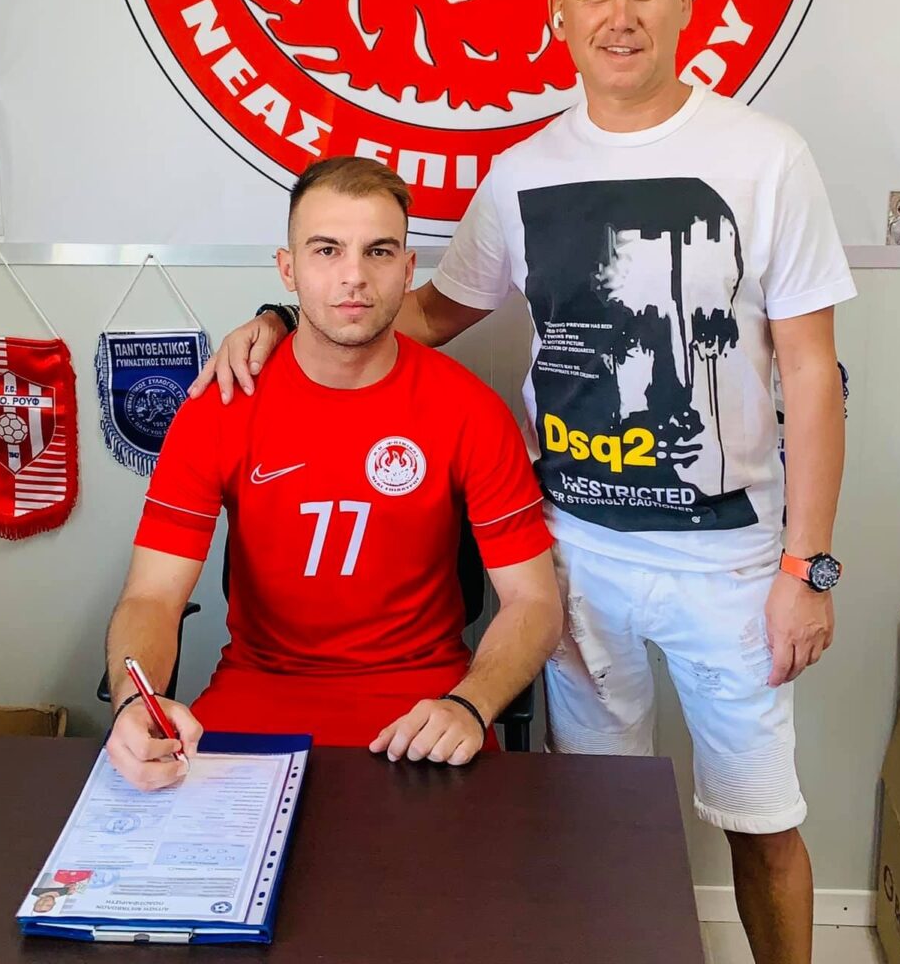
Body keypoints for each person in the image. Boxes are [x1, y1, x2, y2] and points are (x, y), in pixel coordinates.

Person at [197, 0, 856, 964]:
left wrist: (806, 568)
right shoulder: (524, 172)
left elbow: (810, 373)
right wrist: (281, 319)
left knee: (761, 820)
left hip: (729, 559)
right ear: (557, 10)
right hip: (576, 555)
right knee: (595, 820)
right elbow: (423, 313)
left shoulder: (764, 156)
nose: (619, 16)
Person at [105, 157, 561, 793]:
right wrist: (136, 702)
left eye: (379, 251)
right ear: (288, 269)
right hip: (256, 696)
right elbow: (152, 597)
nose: (354, 276)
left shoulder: (471, 410)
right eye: (326, 250)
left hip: (426, 710)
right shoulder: (220, 406)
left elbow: (534, 601)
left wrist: (472, 702)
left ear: (408, 269)